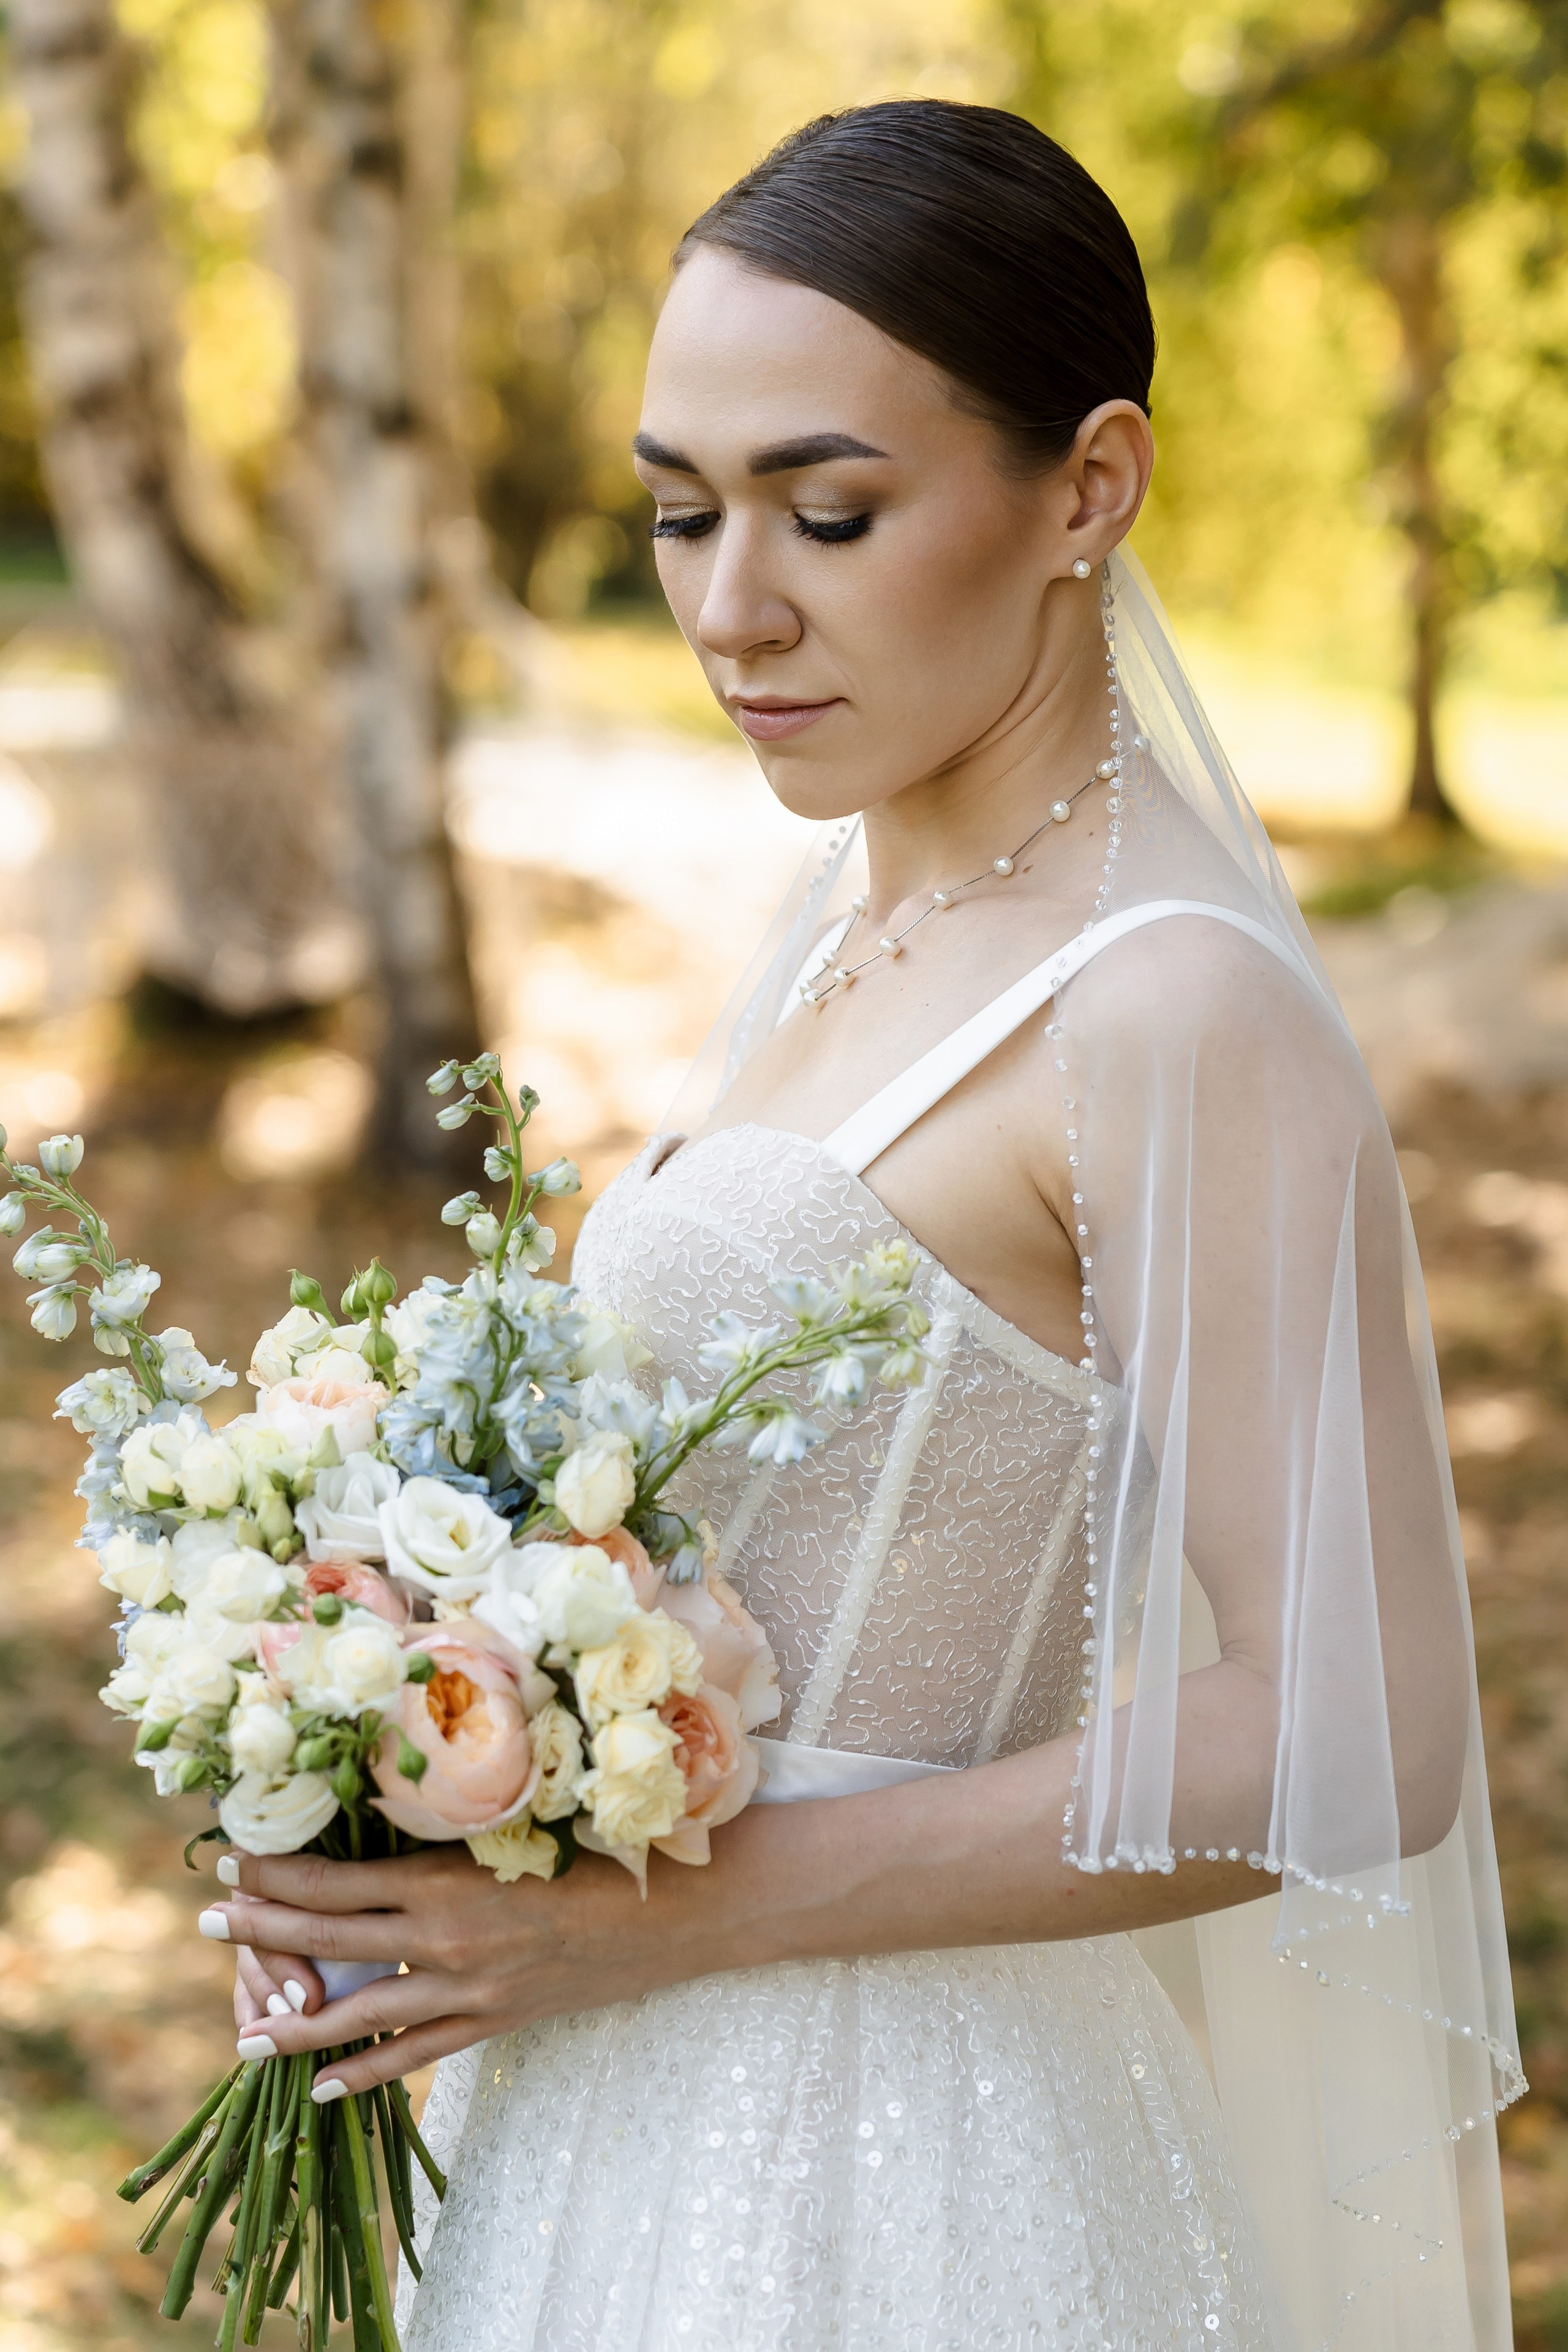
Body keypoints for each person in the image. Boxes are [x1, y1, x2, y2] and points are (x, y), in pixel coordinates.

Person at [205, 102, 1520, 2351]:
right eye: (680, 514)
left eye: (830, 511)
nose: (732, 608)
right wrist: (408, 1771)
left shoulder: (1169, 1001)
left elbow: (1356, 1726)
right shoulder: (849, 910)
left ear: (1087, 487)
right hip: (621, 2106)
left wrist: (667, 1918)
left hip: (909, 2159)